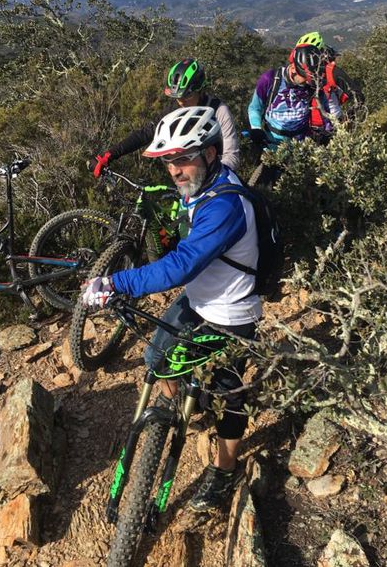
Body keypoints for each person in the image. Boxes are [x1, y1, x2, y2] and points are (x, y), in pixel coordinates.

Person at [81, 105, 261, 511]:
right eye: (168, 162)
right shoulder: (201, 188)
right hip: (199, 298)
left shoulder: (225, 206)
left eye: (184, 159)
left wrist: (117, 282)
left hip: (232, 314)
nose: (176, 170)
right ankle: (177, 408)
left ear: (211, 154)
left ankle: (224, 470)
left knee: (227, 394)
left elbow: (181, 265)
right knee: (155, 354)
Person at [91, 58, 240, 175]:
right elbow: (146, 133)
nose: (181, 102)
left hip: (214, 177)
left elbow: (231, 156)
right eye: (176, 98)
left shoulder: (219, 111)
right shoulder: (174, 110)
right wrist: (110, 154)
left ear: (200, 91)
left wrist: (210, 179)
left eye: (186, 97)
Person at [247, 42, 341, 149]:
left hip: (302, 145)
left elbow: (326, 111)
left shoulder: (315, 84)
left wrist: (328, 132)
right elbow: (255, 107)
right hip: (272, 143)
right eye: (305, 78)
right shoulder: (270, 79)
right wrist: (256, 128)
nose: (307, 83)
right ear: (293, 69)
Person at [294, 32, 365, 136]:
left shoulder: (332, 72)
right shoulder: (297, 76)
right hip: (307, 131)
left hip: (334, 129)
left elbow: (358, 96)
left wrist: (347, 119)